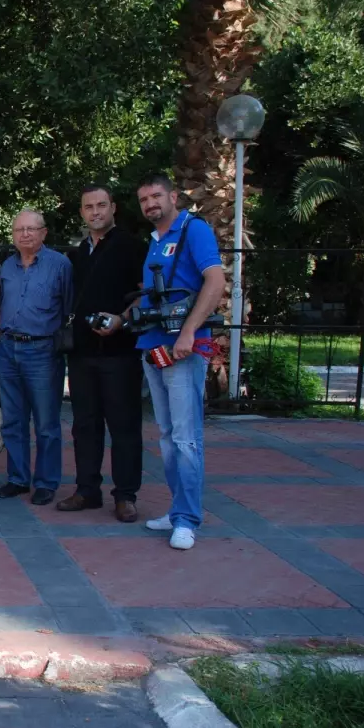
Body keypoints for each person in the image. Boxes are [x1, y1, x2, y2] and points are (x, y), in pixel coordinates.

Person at [127, 173, 224, 550]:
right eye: (144, 199)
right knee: (168, 438)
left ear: (173, 196)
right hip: (153, 348)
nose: (151, 204)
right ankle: (177, 507)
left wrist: (188, 333)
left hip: (183, 350)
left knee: (185, 438)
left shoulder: (193, 230)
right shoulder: (155, 242)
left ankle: (187, 519)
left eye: (156, 196)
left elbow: (215, 282)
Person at [57, 186, 148, 522]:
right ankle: (87, 490)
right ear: (81, 212)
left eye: (100, 205)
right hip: (81, 352)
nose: (95, 212)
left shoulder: (133, 247)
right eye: (88, 207)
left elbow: (146, 294)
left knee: (124, 426)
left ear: (113, 208)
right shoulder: (79, 253)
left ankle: (125, 495)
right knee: (84, 426)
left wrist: (122, 319)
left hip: (120, 352)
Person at [0, 209, 73, 506]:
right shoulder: (7, 267)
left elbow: (67, 306)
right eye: (19, 230)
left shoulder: (60, 265)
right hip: (8, 348)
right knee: (12, 420)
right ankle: (17, 478)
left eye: (31, 229)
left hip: (42, 351)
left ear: (43, 232)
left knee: (46, 422)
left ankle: (46, 482)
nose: (24, 235)